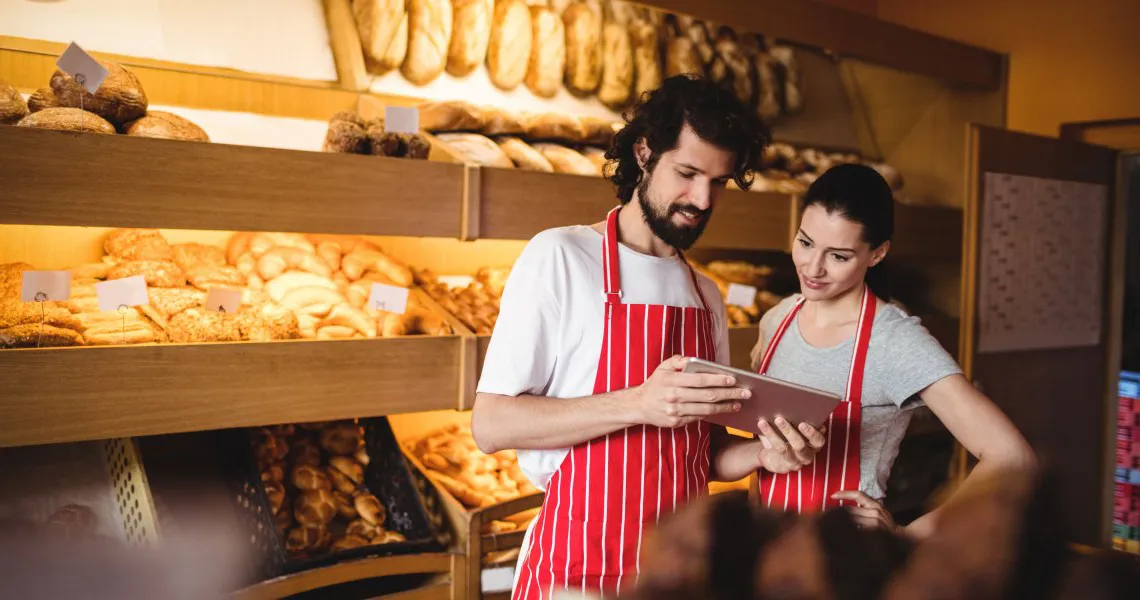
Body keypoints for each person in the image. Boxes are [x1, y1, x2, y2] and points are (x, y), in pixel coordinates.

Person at [471, 75, 827, 600]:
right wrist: (638, 402)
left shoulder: (706, 296)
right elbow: (491, 424)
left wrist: (761, 456)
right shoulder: (561, 257)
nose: (701, 199)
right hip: (577, 567)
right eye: (687, 173)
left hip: (674, 577)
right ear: (643, 152)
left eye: (719, 182)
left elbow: (698, 454)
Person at [748, 163, 1036, 536]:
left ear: (877, 253)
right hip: (766, 549)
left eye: (838, 255)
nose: (812, 268)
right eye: (805, 243)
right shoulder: (778, 318)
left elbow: (1013, 460)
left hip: (844, 563)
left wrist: (908, 536)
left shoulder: (894, 342)